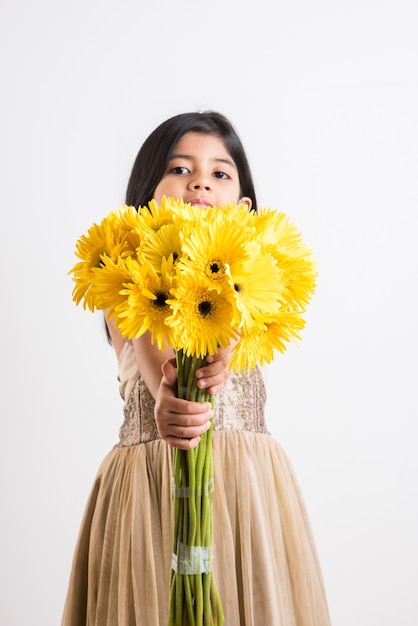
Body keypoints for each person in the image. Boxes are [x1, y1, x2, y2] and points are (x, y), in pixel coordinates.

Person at [61, 111, 331, 625]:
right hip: (153, 489)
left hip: (246, 490)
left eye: (219, 173)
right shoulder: (127, 285)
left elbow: (232, 348)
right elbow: (158, 361)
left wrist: (228, 333)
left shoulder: (258, 286)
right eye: (180, 169)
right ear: (147, 199)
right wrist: (172, 399)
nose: (200, 180)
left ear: (244, 207)